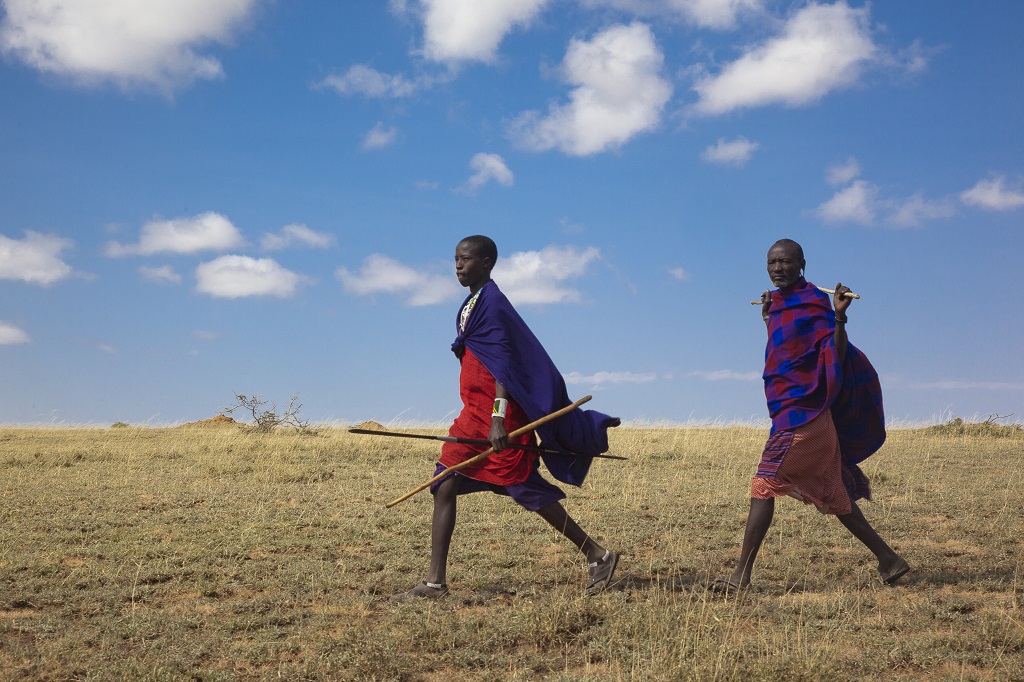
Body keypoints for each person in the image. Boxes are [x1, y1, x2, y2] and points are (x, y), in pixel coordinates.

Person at [399, 235, 621, 599]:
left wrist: (498, 419)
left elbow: (505, 366)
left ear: (486, 263)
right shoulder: (473, 303)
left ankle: (598, 554)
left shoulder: (494, 304)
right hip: (473, 411)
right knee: (447, 482)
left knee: (519, 485)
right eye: (455, 259)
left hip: (494, 415)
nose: (457, 265)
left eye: (466, 259)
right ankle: (435, 582)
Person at [711, 239, 909, 592]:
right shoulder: (777, 305)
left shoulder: (817, 302)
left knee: (763, 484)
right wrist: (769, 318)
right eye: (771, 262)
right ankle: (889, 560)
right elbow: (785, 352)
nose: (777, 268)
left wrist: (840, 316)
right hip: (793, 411)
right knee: (835, 496)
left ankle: (740, 577)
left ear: (802, 264)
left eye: (785, 262)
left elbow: (834, 352)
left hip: (806, 415)